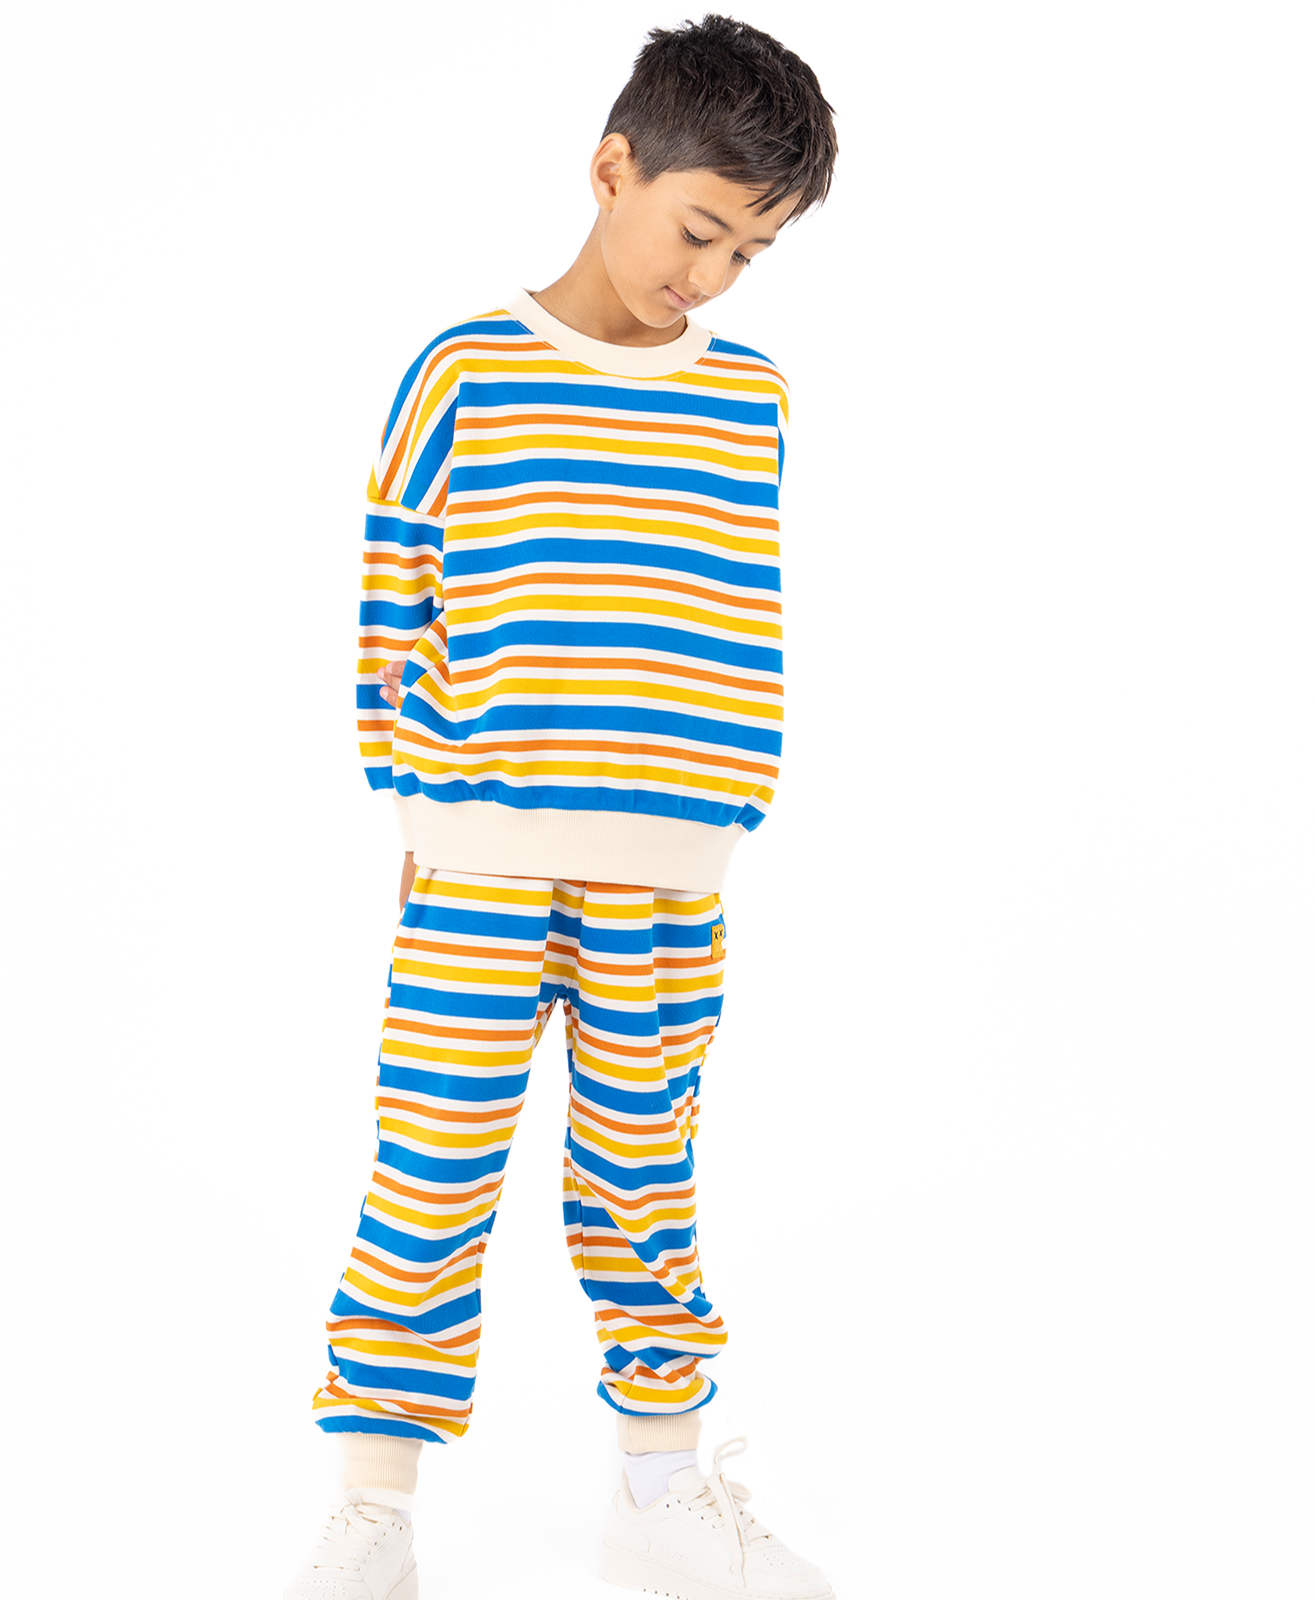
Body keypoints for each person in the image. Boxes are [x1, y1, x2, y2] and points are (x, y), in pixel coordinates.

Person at [283, 15, 838, 1598]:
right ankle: (372, 1506)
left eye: (751, 254)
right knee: (430, 1173)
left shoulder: (751, 396)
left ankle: (660, 1491)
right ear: (612, 170)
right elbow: (396, 602)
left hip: (669, 875)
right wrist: (413, 814)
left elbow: (731, 614)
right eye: (700, 229)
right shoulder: (468, 372)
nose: (713, 278)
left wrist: (720, 814)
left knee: (646, 1180)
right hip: (476, 857)